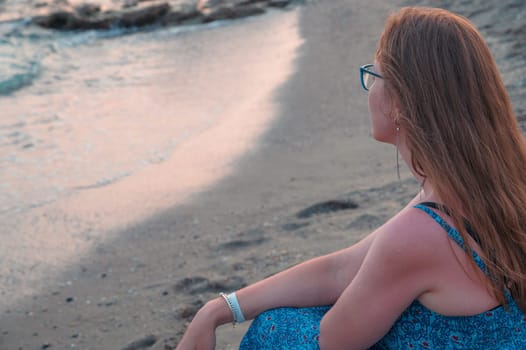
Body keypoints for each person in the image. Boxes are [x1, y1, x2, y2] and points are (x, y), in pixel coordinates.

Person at [176, 6, 526, 349]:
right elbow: (341, 269)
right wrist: (221, 309)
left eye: (374, 76)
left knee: (274, 329)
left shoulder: (423, 232)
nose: (369, 89)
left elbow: (333, 341)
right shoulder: (493, 184)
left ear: (401, 103)